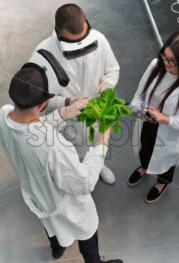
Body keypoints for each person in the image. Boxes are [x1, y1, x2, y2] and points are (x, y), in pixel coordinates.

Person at [0, 66, 123, 263]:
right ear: (44, 104)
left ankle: (57, 248)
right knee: (87, 234)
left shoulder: (4, 114)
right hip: (66, 206)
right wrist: (102, 140)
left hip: (36, 194)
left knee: (51, 227)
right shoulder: (54, 147)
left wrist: (66, 112)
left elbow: (31, 127)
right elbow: (85, 181)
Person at [34, 3, 120, 185]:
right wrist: (68, 102)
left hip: (94, 113)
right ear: (58, 32)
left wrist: (108, 83)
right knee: (67, 155)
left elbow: (113, 70)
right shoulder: (43, 53)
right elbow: (39, 99)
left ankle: (98, 166)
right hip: (65, 118)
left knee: (97, 144)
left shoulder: (99, 40)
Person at [127, 31, 179, 204]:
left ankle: (162, 182)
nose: (166, 62)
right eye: (164, 56)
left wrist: (165, 119)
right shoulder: (156, 65)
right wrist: (138, 109)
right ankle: (144, 167)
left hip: (170, 129)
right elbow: (139, 94)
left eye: (172, 61)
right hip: (147, 121)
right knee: (145, 148)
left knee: (166, 161)